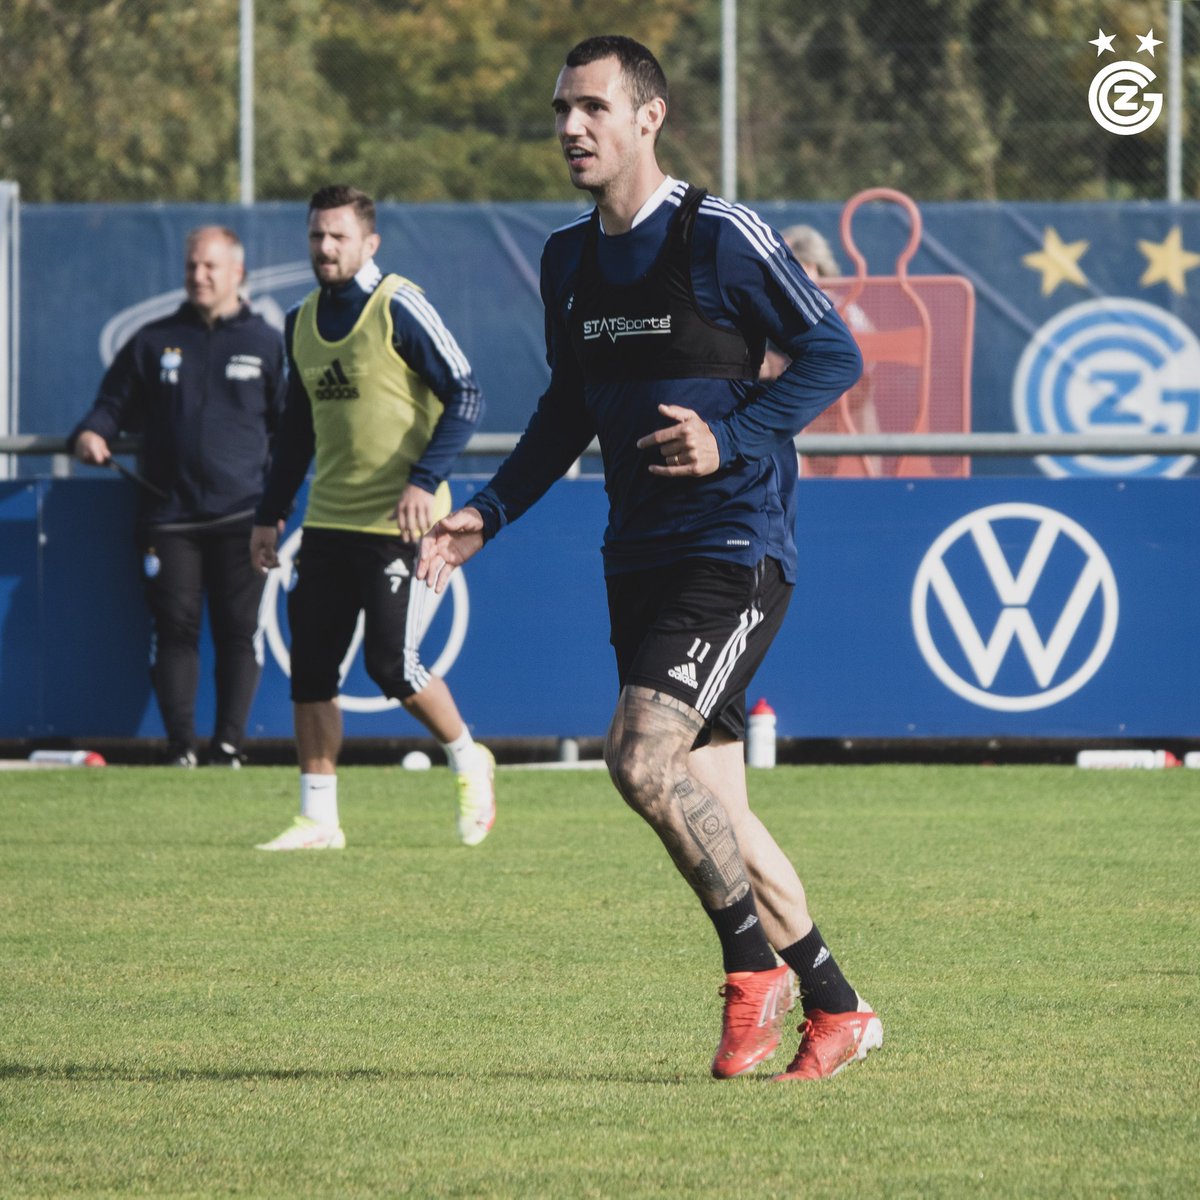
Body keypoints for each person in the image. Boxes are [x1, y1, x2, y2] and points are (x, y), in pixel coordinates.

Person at [419, 36, 882, 1080]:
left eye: (591, 106)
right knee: (720, 814)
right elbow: (566, 409)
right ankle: (838, 1006)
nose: (570, 126)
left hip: (735, 542)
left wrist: (734, 435)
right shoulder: (566, 259)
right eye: (560, 109)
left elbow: (834, 353)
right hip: (637, 554)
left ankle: (751, 973)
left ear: (648, 116)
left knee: (637, 758)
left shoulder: (719, 233)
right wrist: (486, 513)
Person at [250, 184, 495, 851]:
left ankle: (469, 758)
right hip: (329, 522)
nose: (325, 247)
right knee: (311, 671)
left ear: (369, 243)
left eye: (339, 236)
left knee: (391, 665)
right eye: (316, 235)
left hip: (404, 527)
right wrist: (270, 513)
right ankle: (319, 819)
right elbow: (295, 431)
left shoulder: (398, 304)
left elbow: (467, 394)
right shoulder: (300, 321)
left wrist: (424, 480)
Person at [72, 226, 286, 767]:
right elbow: (110, 405)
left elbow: (291, 431)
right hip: (168, 516)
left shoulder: (269, 343)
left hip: (244, 515)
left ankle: (228, 748)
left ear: (238, 273)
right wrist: (93, 432)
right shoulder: (152, 340)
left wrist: (277, 505)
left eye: (210, 266)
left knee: (239, 633)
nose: (199, 276)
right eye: (192, 266)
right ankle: (180, 749)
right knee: (174, 631)